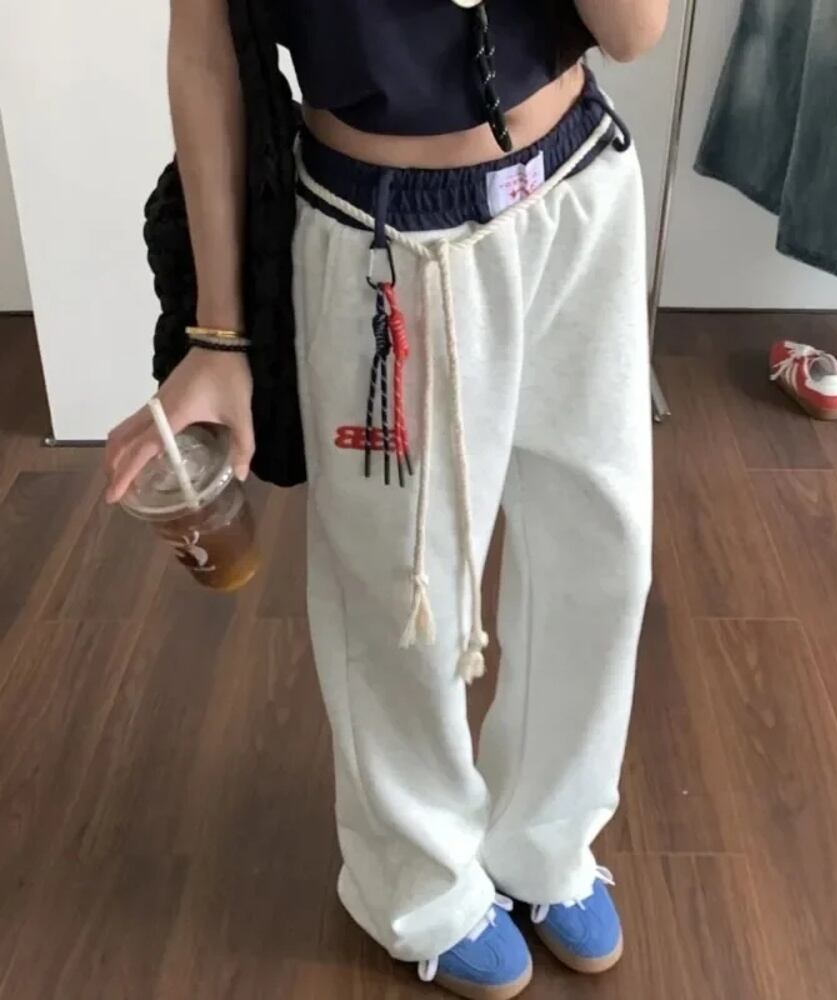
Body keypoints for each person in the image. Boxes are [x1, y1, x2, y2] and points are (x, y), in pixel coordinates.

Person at [105, 1, 667, 996]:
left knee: (602, 557)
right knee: (404, 591)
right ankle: (417, 882)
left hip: (578, 186)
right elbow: (204, 53)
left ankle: (546, 840)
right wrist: (218, 333)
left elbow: (633, 32)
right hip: (386, 235)